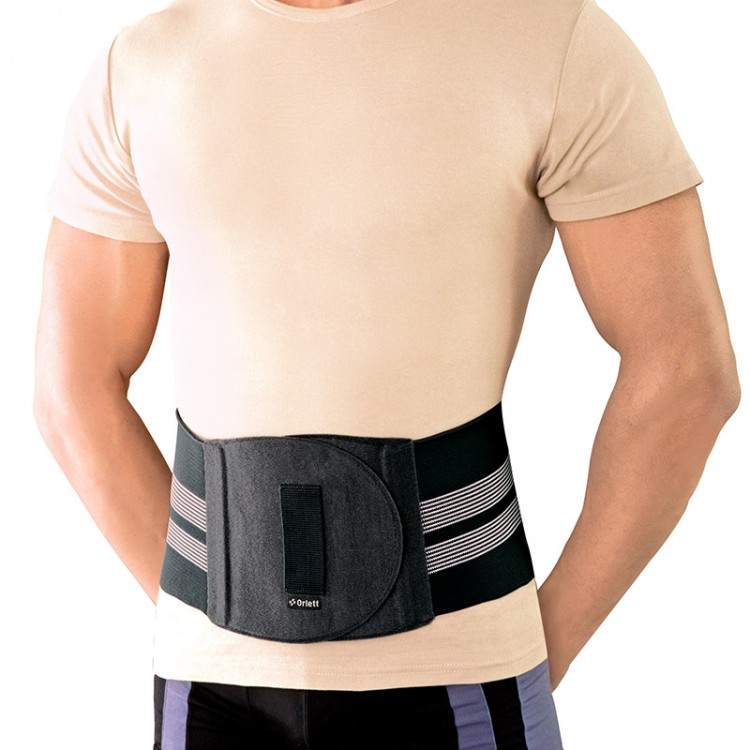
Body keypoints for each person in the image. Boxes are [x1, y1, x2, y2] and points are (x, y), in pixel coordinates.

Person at [33, 0, 740, 747]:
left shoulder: (552, 41)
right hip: (210, 688)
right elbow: (72, 386)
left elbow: (687, 373)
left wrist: (545, 638)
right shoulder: (141, 67)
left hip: (458, 673)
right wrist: (223, 603)